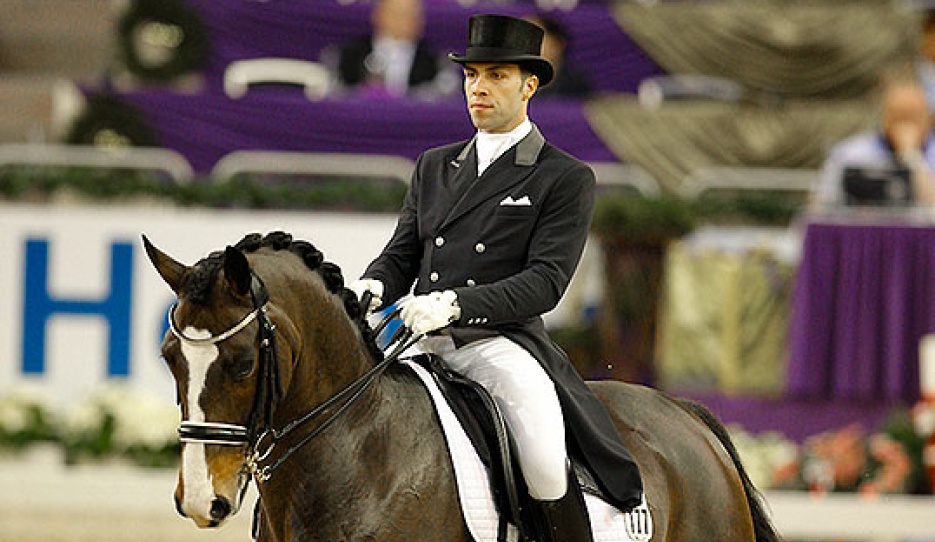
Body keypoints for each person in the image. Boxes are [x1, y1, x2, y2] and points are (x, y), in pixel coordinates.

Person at [348, 14, 642, 541]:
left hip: (499, 341)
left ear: (530, 85)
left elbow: (546, 283)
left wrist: (457, 304)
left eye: (497, 76)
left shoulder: (563, 176)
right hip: (418, 336)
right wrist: (374, 285)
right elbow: (402, 254)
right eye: (472, 75)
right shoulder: (434, 166)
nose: (479, 87)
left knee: (546, 459)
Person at [812, 75, 935, 209]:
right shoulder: (850, 153)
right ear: (885, 117)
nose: (905, 124)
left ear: (929, 118)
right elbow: (818, 208)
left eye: (913, 115)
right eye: (898, 115)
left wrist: (911, 156)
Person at [331, 0, 451, 98]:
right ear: (377, 15)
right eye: (396, 14)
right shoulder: (351, 54)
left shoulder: (434, 62)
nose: (403, 21)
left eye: (411, 15)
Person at [525, 14, 593, 98]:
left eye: (533, 37)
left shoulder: (575, 85)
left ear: (556, 44)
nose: (525, 44)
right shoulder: (513, 82)